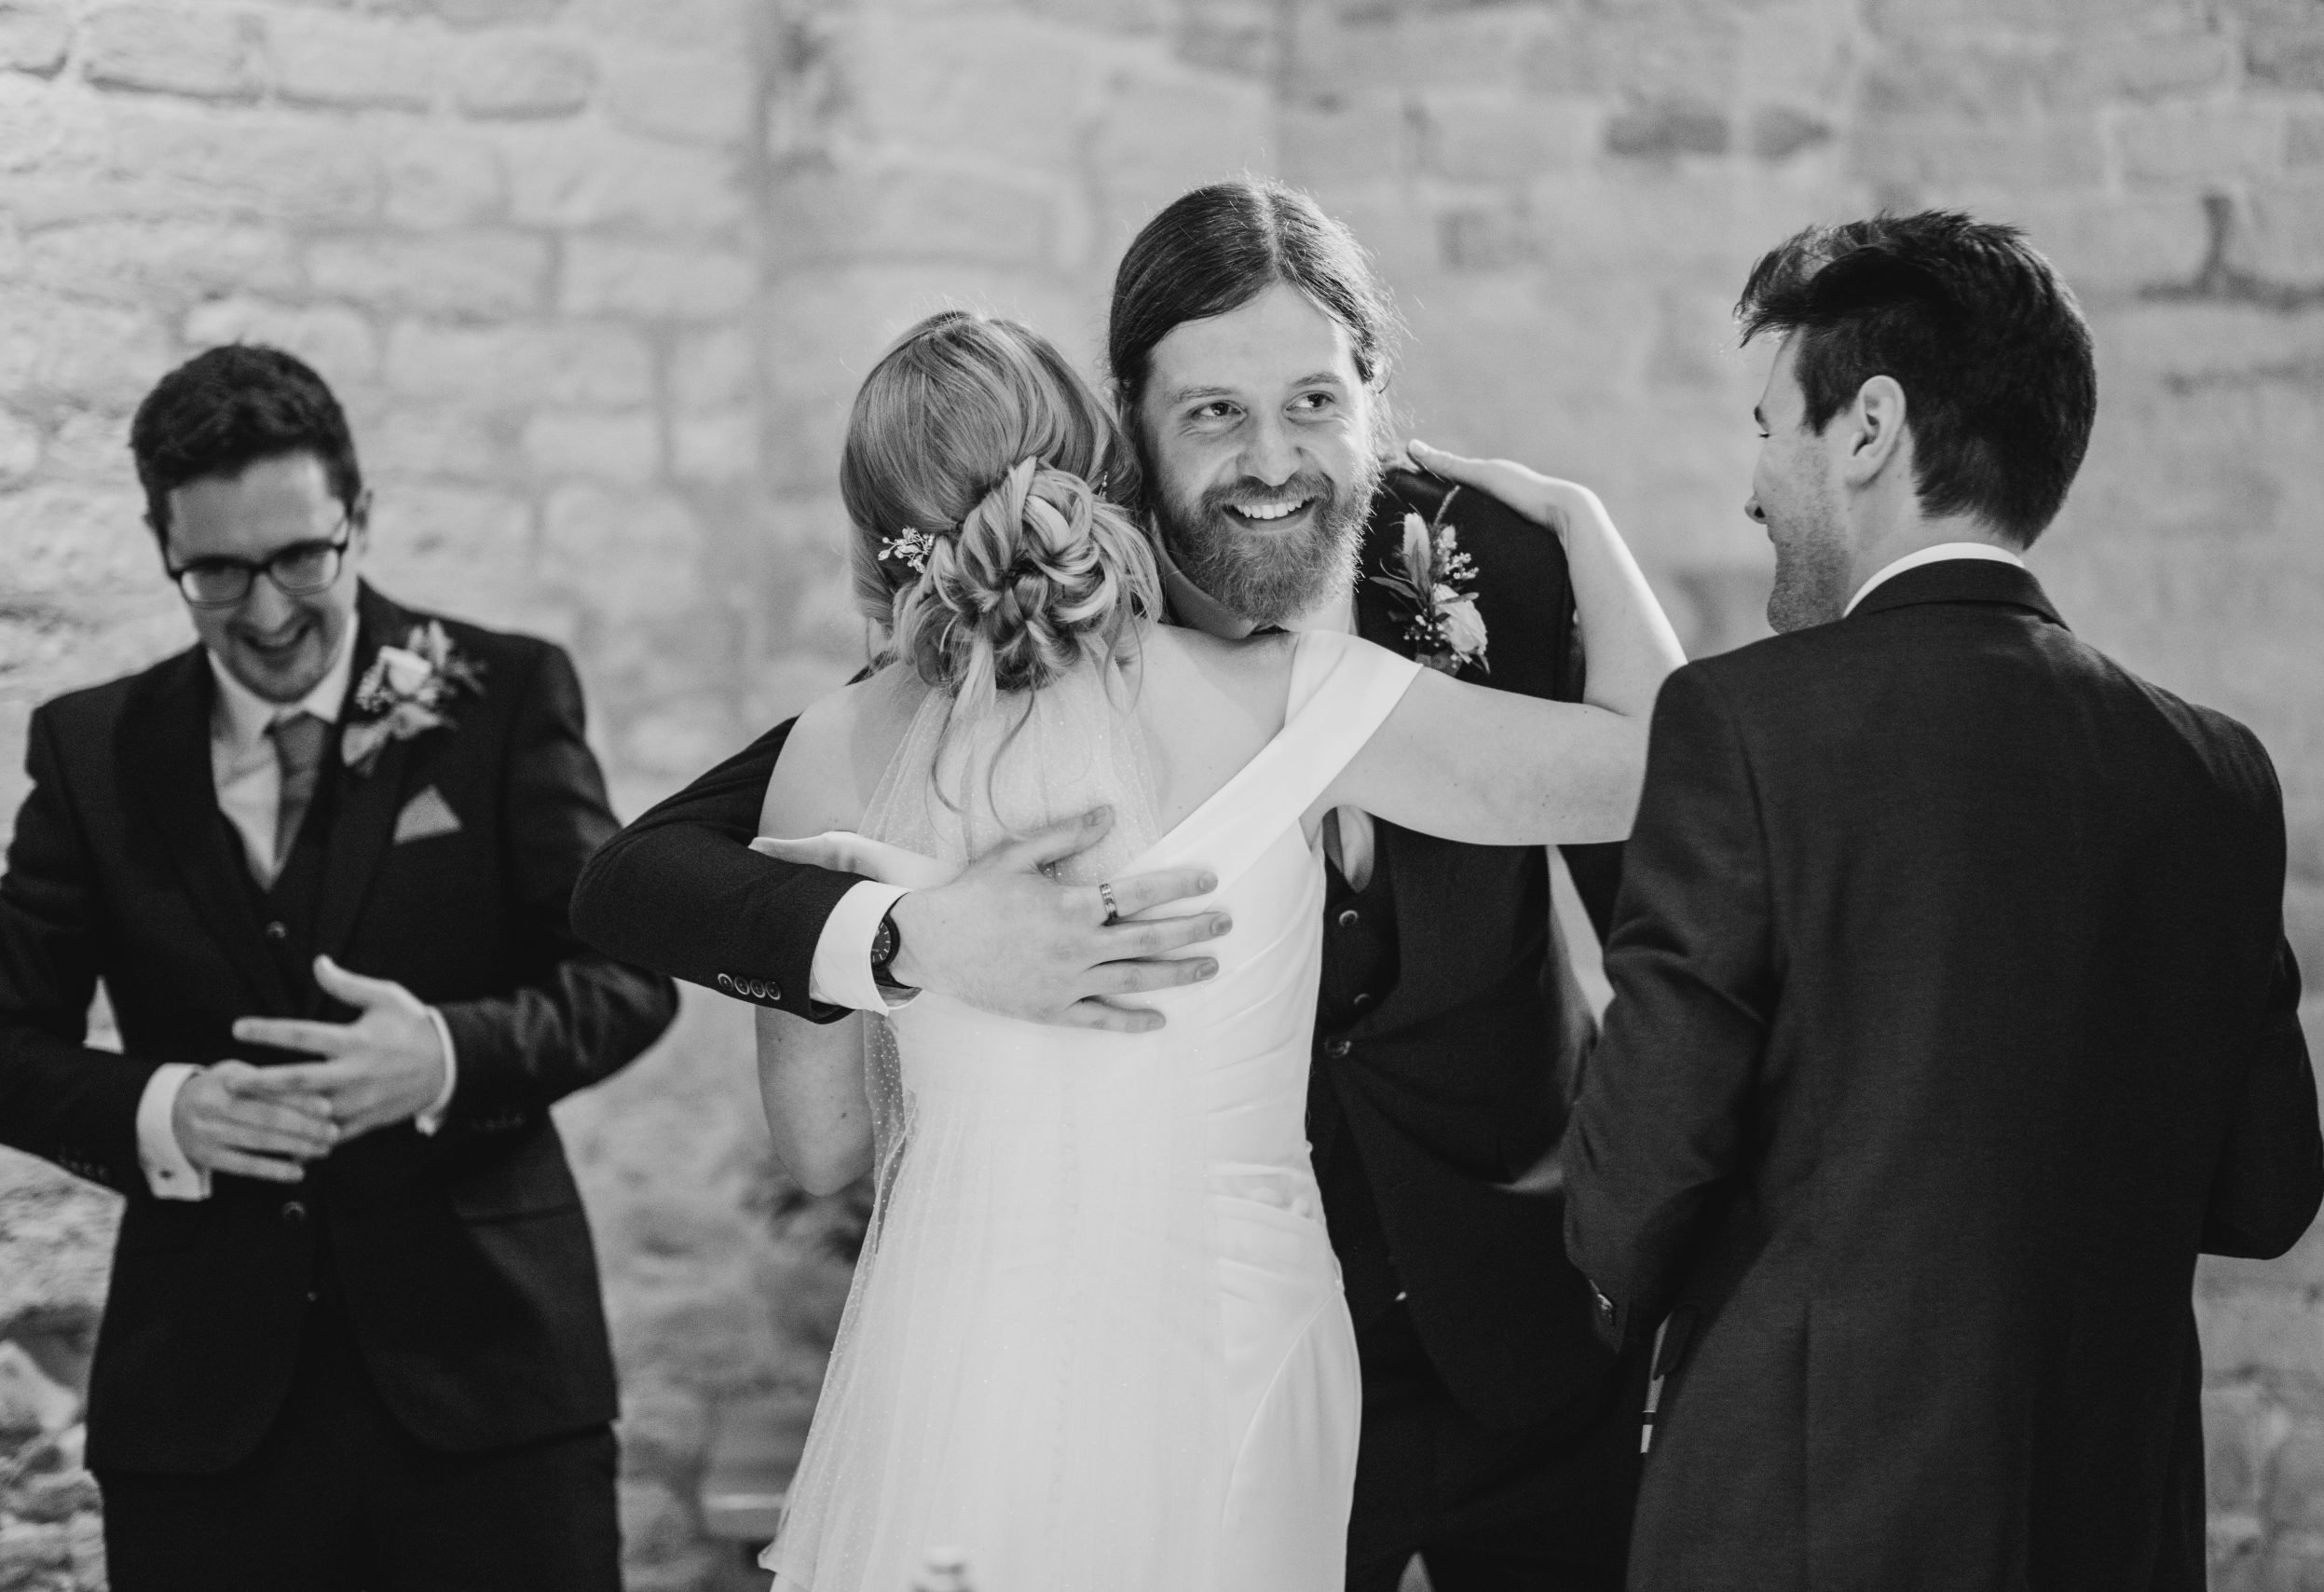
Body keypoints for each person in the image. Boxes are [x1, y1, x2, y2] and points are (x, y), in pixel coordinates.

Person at [572, 180, 1674, 1589]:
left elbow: (826, 1148)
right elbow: (633, 877)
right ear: (1119, 445)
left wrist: (877, 942)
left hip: (1020, 1358)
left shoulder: (838, 757)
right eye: (1215, 410)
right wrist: (915, 936)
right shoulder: (1277, 695)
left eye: (1314, 404)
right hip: (1244, 1340)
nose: (1271, 456)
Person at [1559, 212, 2324, 1590]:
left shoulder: (1743, 726)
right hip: (2106, 1524)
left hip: (1800, 1525)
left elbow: (1627, 1201)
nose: (1754, 485)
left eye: (1766, 426)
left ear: (1868, 428)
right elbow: (2267, 1192)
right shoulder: (2215, 775)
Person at [0, 345, 680, 1592]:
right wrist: (168, 1113)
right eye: (216, 573)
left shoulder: (504, 696)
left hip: (492, 1397)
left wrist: (444, 1055)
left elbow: (627, 977)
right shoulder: (92, 752)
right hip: (204, 1425)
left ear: (357, 519)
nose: (265, 614)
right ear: (165, 551)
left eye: (300, 559)